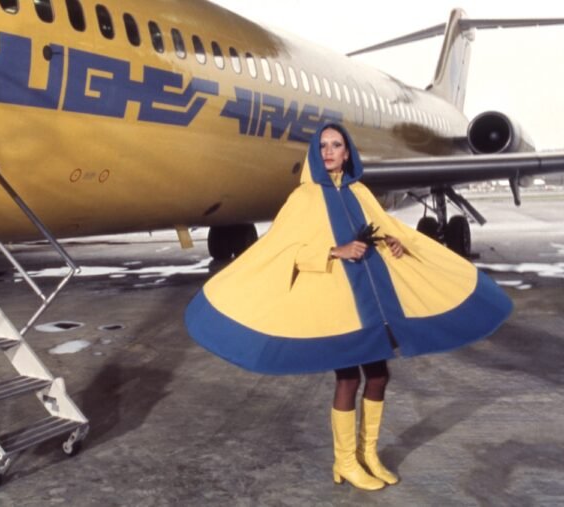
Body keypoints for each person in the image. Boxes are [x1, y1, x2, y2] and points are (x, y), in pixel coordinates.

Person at [185, 123, 512, 491]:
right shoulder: (304, 199)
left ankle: (368, 454)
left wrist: (393, 244)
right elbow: (281, 249)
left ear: (347, 152)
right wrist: (332, 251)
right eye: (322, 145)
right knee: (348, 378)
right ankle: (345, 462)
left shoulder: (361, 193)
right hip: (336, 303)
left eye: (336, 145)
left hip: (373, 303)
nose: (328, 151)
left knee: (379, 376)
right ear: (315, 153)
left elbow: (383, 228)